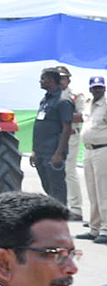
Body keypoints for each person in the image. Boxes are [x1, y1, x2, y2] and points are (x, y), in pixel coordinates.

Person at [34, 67, 74, 205]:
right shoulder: (45, 100)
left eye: (43, 78)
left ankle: (59, 218)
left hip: (52, 152)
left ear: (51, 80)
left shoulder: (63, 101)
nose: (40, 81)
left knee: (57, 189)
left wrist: (59, 153)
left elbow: (66, 128)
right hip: (41, 152)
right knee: (48, 188)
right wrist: (35, 151)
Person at [78, 76, 107, 245]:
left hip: (103, 149)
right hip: (88, 150)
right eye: (95, 87)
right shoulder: (88, 103)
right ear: (90, 89)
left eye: (100, 88)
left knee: (104, 191)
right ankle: (94, 228)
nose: (98, 90)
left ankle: (106, 229)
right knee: (92, 191)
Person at [57, 66, 84, 223]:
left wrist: (63, 115)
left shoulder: (75, 96)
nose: (61, 81)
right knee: (56, 172)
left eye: (63, 78)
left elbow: (82, 115)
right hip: (56, 136)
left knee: (69, 171)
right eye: (58, 78)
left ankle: (76, 208)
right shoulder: (52, 95)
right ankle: (61, 205)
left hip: (71, 136)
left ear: (68, 79)